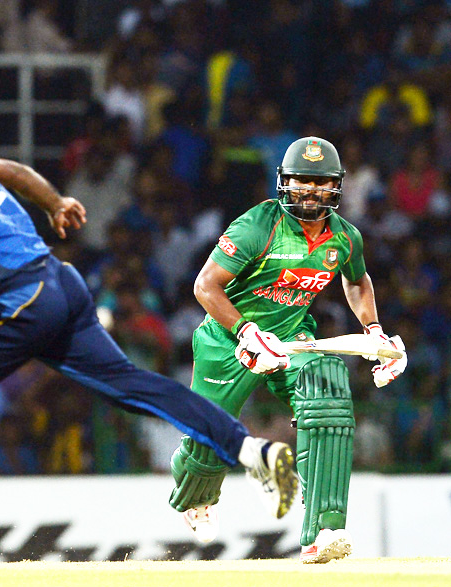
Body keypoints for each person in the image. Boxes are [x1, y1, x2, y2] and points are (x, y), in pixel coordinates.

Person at [0, 104, 299, 569]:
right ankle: (249, 449)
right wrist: (54, 203)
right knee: (132, 384)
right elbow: (14, 171)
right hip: (62, 282)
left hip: (22, 301)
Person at [169, 136, 408, 563]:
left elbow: (356, 280)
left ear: (335, 187)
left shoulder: (345, 238)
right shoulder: (257, 226)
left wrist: (374, 329)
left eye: (319, 183)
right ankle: (195, 493)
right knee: (209, 437)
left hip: (294, 337)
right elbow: (205, 285)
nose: (310, 191)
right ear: (284, 182)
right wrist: (245, 331)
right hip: (228, 340)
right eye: (301, 181)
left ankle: (323, 530)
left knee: (329, 390)